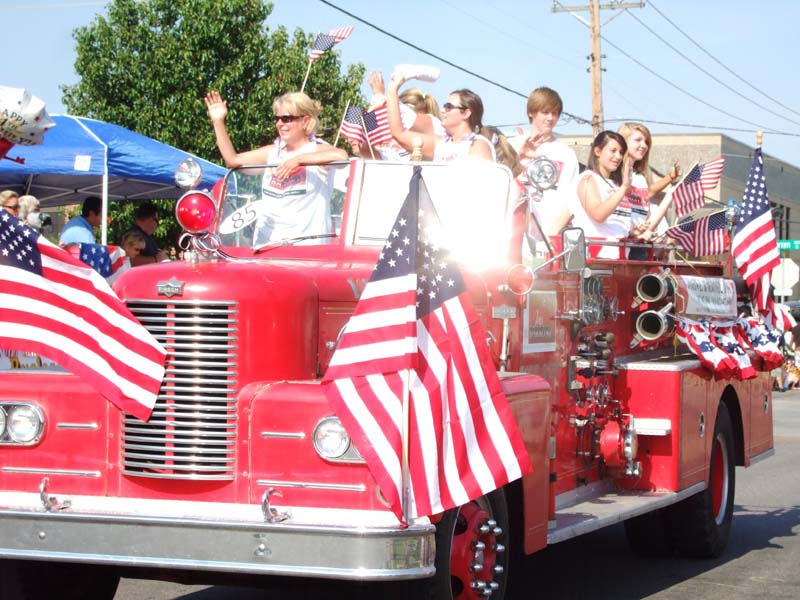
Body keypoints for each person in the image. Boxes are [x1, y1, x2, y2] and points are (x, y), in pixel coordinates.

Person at [204, 90, 347, 245]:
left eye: (286, 119)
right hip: (267, 245)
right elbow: (233, 160)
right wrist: (218, 122)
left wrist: (298, 160)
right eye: (277, 119)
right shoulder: (272, 152)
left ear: (305, 120)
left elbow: (342, 157)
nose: (279, 124)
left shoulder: (317, 149)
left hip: (306, 247)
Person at [508, 87, 579, 254]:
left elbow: (572, 200)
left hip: (549, 241)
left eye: (555, 113)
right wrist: (519, 157)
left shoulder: (566, 154)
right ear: (531, 112)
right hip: (513, 237)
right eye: (545, 112)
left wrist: (552, 234)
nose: (550, 118)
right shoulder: (513, 145)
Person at [385, 74, 494, 162]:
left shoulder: (478, 145)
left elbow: (480, 182)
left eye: (448, 107)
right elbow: (399, 133)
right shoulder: (440, 144)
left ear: (466, 114)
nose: (442, 110)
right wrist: (393, 89)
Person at [571, 130, 636, 259]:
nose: (618, 157)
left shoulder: (615, 185)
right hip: (596, 258)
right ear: (597, 151)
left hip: (621, 257)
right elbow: (598, 215)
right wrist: (624, 188)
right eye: (613, 151)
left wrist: (635, 231)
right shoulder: (587, 179)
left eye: (621, 152)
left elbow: (618, 224)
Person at [617, 122, 680, 241]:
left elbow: (648, 194)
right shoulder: (613, 174)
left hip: (639, 242)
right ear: (623, 141)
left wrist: (671, 178)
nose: (644, 145)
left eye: (646, 142)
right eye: (638, 140)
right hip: (619, 241)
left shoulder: (640, 178)